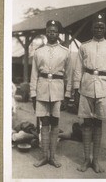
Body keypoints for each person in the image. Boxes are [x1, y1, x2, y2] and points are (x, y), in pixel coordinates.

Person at [73, 13, 106, 173]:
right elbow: (78, 69)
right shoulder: (84, 46)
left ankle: (96, 161)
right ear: (92, 28)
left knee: (98, 124)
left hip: (103, 88)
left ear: (105, 29)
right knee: (86, 124)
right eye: (96, 26)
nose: (99, 29)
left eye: (102, 27)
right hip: (86, 86)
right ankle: (86, 160)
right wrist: (76, 90)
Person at [30, 20, 72, 168]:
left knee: (55, 123)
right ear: (46, 32)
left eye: (54, 31)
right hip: (41, 89)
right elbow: (34, 75)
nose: (51, 33)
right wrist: (33, 95)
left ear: (58, 33)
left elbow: (69, 76)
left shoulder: (65, 52)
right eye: (49, 31)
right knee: (44, 123)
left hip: (57, 90)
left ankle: (52, 157)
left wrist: (67, 95)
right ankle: (44, 156)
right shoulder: (38, 52)